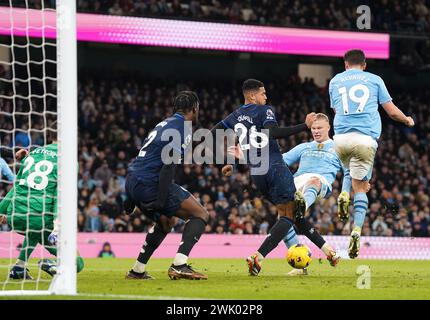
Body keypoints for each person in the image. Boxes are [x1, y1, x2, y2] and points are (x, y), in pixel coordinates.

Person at [214, 78, 317, 276]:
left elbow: (213, 133)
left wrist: (228, 162)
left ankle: (308, 259)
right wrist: (304, 126)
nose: (265, 96)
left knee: (289, 214)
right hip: (274, 168)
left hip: (256, 174)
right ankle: (258, 257)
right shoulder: (264, 110)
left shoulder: (235, 115)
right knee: (288, 214)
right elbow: (274, 133)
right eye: (263, 93)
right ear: (252, 95)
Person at [329, 49, 415, 258]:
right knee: (362, 187)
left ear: (345, 64)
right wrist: (407, 120)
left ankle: (342, 193)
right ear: (364, 64)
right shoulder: (375, 80)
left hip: (340, 138)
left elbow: (336, 110)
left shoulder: (335, 81)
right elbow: (392, 111)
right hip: (366, 139)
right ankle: (356, 230)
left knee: (349, 169)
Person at [124, 91, 209, 280]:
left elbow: (142, 159)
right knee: (201, 214)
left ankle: (137, 271)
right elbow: (168, 165)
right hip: (149, 182)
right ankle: (180, 265)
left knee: (166, 221)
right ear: (194, 108)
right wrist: (161, 200)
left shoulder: (164, 123)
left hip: (133, 180)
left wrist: (129, 195)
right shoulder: (182, 127)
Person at [0, 125, 85, 279]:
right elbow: (59, 197)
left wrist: (1, 210)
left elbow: (16, 187)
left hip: (16, 216)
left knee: (33, 230)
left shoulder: (33, 154)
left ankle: (19, 267)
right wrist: (57, 227)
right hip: (40, 218)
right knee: (77, 263)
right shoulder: (67, 160)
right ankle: (53, 264)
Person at [281, 113, 351, 275]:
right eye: (313, 128)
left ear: (328, 127)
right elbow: (281, 161)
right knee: (284, 224)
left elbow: (348, 172)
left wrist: (345, 192)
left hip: (320, 183)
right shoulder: (304, 147)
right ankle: (302, 267)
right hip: (297, 183)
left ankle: (301, 205)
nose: (316, 131)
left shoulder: (338, 148)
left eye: (319, 128)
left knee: (314, 181)